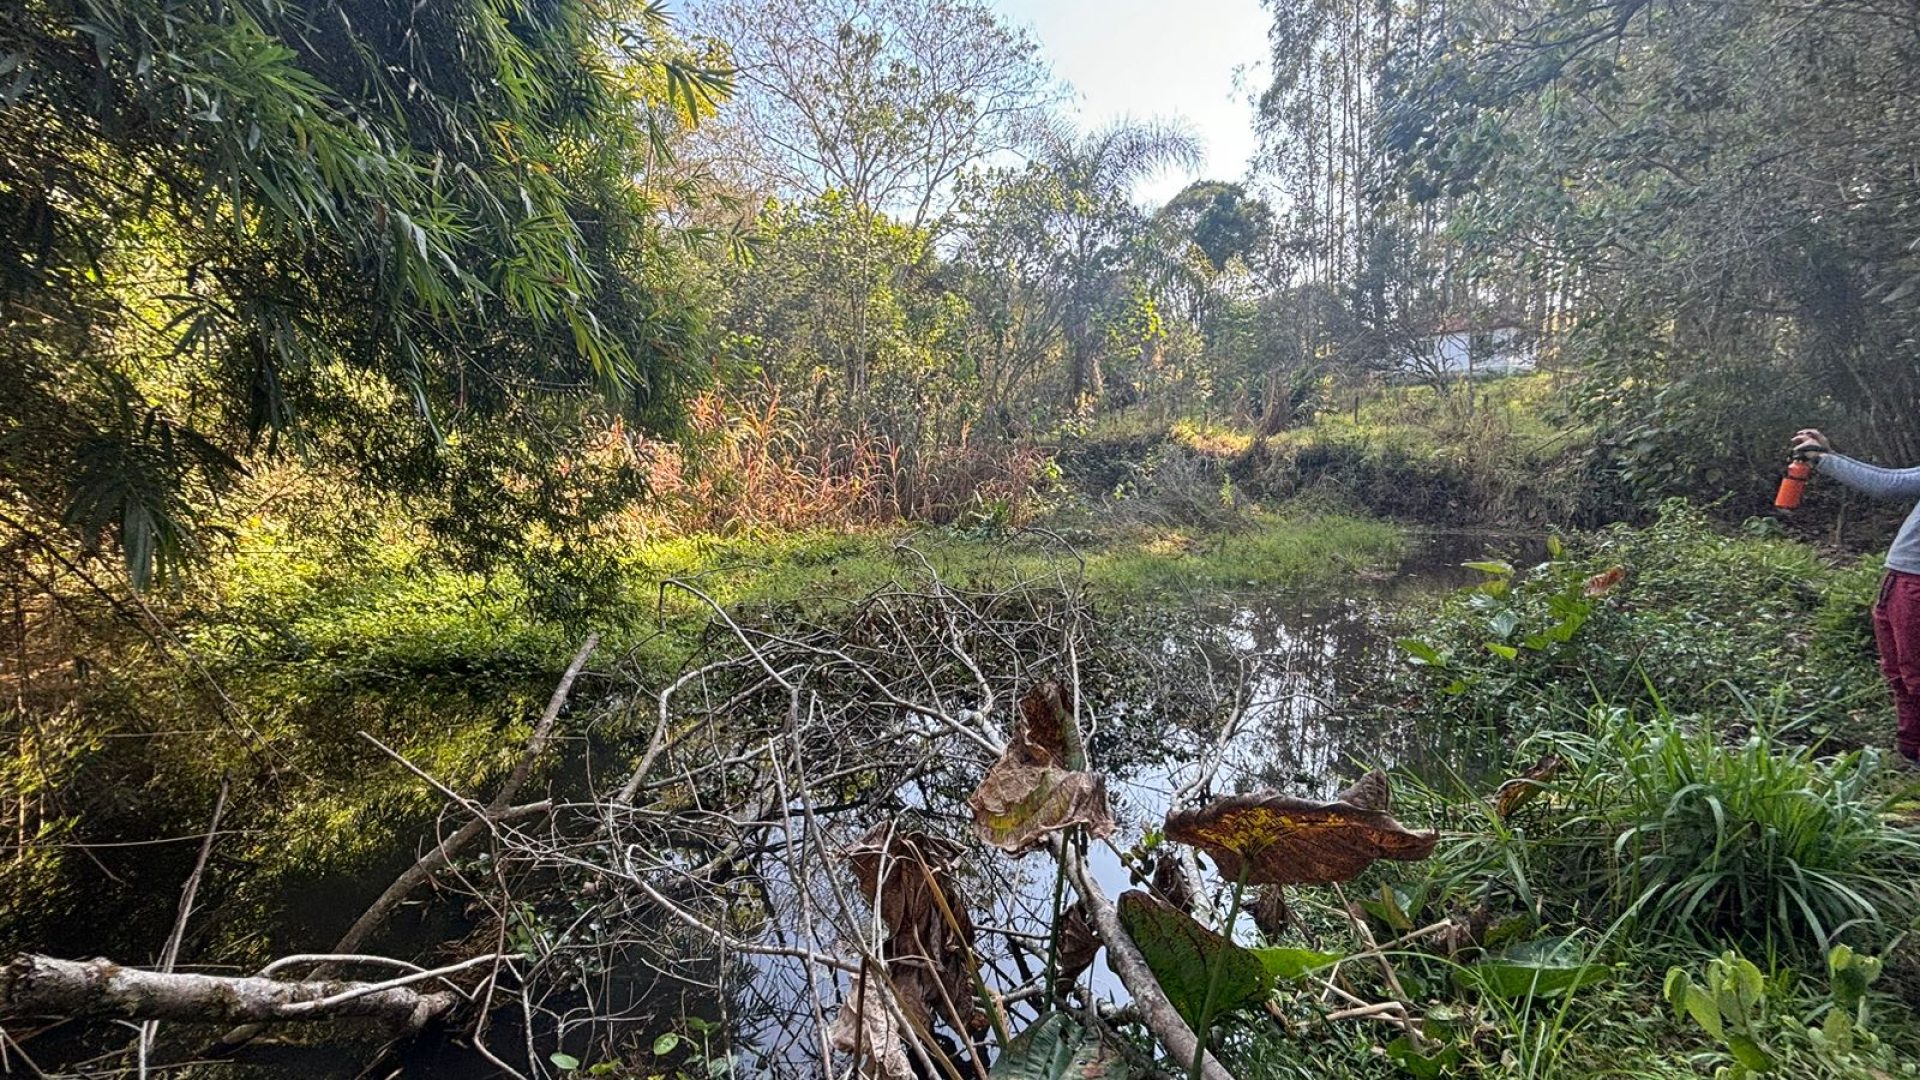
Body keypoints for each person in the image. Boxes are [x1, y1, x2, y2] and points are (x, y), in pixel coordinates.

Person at [1791, 428, 1920, 764]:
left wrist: (1822, 460)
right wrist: (1830, 455)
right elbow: (1891, 478)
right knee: (1898, 672)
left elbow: (1887, 487)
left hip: (1915, 585)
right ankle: (1911, 752)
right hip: (1900, 581)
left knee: (1915, 674)